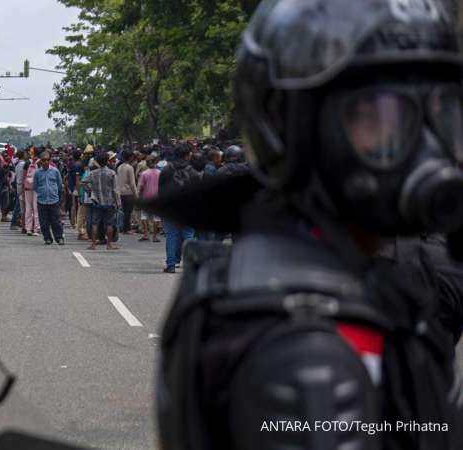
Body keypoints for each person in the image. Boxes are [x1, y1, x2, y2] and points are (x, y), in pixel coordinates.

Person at [157, 1, 463, 449]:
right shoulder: (309, 358)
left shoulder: (344, 266)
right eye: (379, 117)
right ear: (294, 126)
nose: (425, 147)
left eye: (444, 113)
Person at [158, 144, 200, 273]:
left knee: (171, 236)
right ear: (187, 155)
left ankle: (171, 264)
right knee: (189, 235)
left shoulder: (166, 170)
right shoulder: (193, 172)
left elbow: (161, 191)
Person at [84, 152, 120, 250]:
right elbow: (115, 190)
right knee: (109, 224)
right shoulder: (112, 173)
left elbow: (84, 182)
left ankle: (93, 244)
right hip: (109, 202)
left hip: (97, 201)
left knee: (95, 223)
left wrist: (90, 192)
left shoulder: (93, 173)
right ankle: (109, 245)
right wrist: (118, 202)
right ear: (107, 161)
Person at [34, 151, 65, 245]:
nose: (46, 162)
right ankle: (47, 238)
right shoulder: (37, 173)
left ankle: (59, 238)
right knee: (44, 222)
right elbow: (35, 186)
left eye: (48, 160)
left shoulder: (55, 171)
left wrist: (57, 196)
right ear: (41, 161)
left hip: (53, 200)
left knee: (56, 221)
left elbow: (59, 185)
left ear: (50, 160)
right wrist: (41, 192)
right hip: (42, 200)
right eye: (43, 160)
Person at [138, 155, 161, 242]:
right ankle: (154, 236)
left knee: (144, 216)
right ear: (156, 162)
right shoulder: (159, 173)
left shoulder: (144, 173)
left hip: (146, 197)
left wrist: (139, 195)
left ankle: (145, 234)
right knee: (156, 217)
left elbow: (141, 186)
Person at [116, 149, 138, 235]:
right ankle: (127, 229)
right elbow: (132, 183)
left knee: (124, 211)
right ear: (130, 157)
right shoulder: (130, 167)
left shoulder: (119, 167)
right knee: (128, 212)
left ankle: (123, 228)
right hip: (128, 192)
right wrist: (136, 194)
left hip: (120, 191)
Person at [23, 149, 41, 236]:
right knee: (36, 208)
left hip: (27, 188)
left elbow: (24, 176)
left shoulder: (27, 163)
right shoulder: (41, 162)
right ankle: (36, 229)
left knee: (28, 208)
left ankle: (28, 229)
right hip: (37, 188)